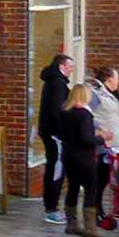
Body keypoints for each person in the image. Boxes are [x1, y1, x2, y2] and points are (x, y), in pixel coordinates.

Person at [57, 83, 109, 237]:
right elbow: (87, 139)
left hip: (68, 156)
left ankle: (71, 224)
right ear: (84, 96)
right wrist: (101, 138)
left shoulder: (65, 113)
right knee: (91, 189)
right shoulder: (84, 115)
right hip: (84, 157)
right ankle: (90, 228)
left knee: (73, 187)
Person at [85, 67, 119, 222]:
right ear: (109, 78)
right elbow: (87, 114)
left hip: (116, 144)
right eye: (117, 78)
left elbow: (118, 117)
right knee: (100, 179)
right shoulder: (97, 94)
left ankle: (102, 209)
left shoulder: (115, 95)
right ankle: (95, 210)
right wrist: (99, 130)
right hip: (102, 144)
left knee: (109, 180)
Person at [37, 54, 73, 223]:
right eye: (70, 67)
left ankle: (50, 205)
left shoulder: (52, 82)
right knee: (56, 169)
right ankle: (52, 208)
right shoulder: (58, 84)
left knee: (53, 166)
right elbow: (57, 111)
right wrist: (66, 128)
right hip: (55, 133)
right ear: (61, 66)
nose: (72, 70)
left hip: (49, 131)